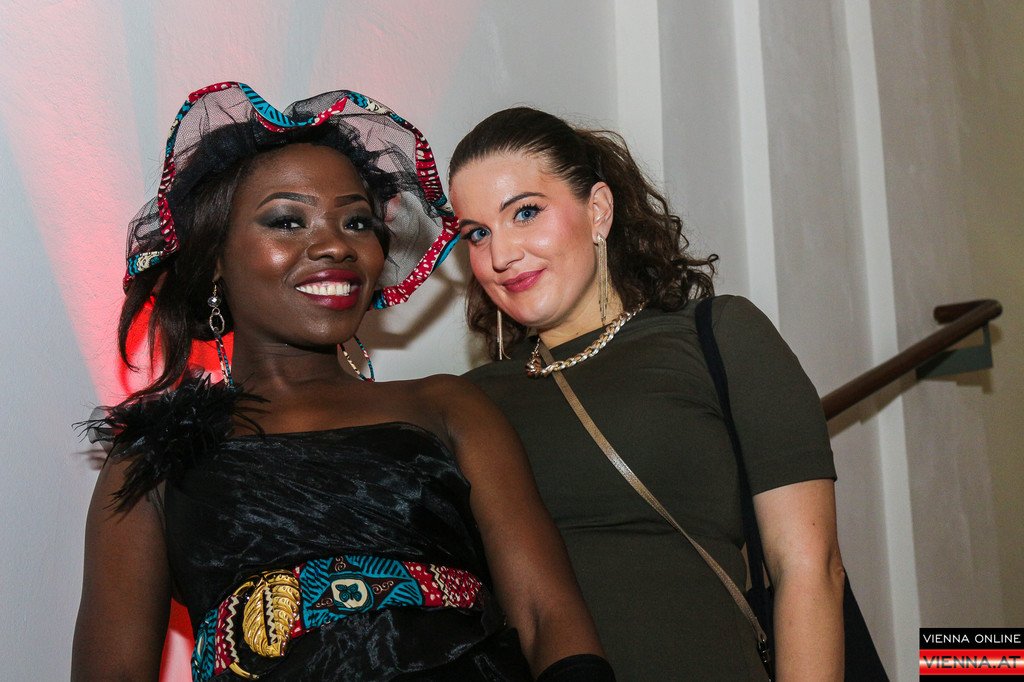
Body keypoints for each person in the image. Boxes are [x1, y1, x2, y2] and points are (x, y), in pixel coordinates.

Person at [72, 84, 614, 682]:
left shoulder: (448, 405)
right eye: (287, 221)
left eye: (357, 221)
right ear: (217, 257)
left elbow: (546, 617)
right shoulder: (153, 458)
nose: (335, 245)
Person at [449, 107, 846, 681]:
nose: (500, 255)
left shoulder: (715, 337)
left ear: (598, 210)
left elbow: (810, 568)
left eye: (526, 213)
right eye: (477, 234)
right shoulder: (472, 402)